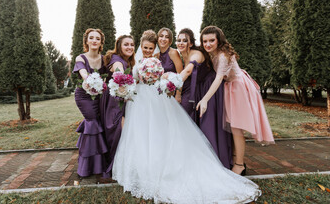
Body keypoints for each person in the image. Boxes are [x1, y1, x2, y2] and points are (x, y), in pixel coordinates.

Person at [112, 30, 261, 204]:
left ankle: (167, 166)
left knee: (161, 132)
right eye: (145, 47)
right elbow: (131, 78)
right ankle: (142, 168)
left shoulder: (163, 57)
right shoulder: (137, 60)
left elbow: (181, 72)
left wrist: (172, 84)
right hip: (139, 102)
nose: (147, 50)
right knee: (141, 135)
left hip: (157, 98)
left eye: (150, 47)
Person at [197, 25, 275, 175]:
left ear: (219, 40)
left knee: (237, 128)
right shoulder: (213, 54)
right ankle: (234, 158)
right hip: (229, 88)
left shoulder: (222, 56)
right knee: (232, 127)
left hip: (238, 89)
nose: (207, 44)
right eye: (205, 41)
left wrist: (205, 99)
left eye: (211, 40)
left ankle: (239, 165)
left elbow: (219, 78)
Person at [177, 28, 233, 169]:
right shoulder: (179, 55)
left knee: (209, 123)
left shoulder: (195, 54)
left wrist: (173, 82)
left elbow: (189, 70)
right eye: (179, 40)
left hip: (210, 88)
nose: (181, 43)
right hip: (199, 90)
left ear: (191, 43)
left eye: (185, 40)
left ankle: (214, 161)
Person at [72, 28, 108, 178]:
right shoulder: (80, 58)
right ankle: (87, 167)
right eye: (91, 38)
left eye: (97, 39)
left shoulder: (105, 59)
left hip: (100, 96)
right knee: (92, 122)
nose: (94, 40)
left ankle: (98, 164)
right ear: (86, 41)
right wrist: (89, 80)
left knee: (97, 124)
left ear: (101, 43)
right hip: (83, 96)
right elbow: (83, 73)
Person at [101, 34, 135, 179]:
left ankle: (120, 165)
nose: (129, 47)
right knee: (116, 132)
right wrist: (121, 76)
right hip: (114, 102)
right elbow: (118, 69)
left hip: (120, 99)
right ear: (119, 46)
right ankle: (114, 168)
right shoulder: (116, 60)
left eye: (132, 45)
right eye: (126, 44)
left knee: (121, 132)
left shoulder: (128, 61)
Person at [155, 27, 183, 102]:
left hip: (173, 92)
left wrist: (178, 94)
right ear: (157, 38)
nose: (163, 39)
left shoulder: (173, 53)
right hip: (161, 93)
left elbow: (181, 75)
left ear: (170, 40)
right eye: (161, 36)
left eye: (167, 37)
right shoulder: (156, 55)